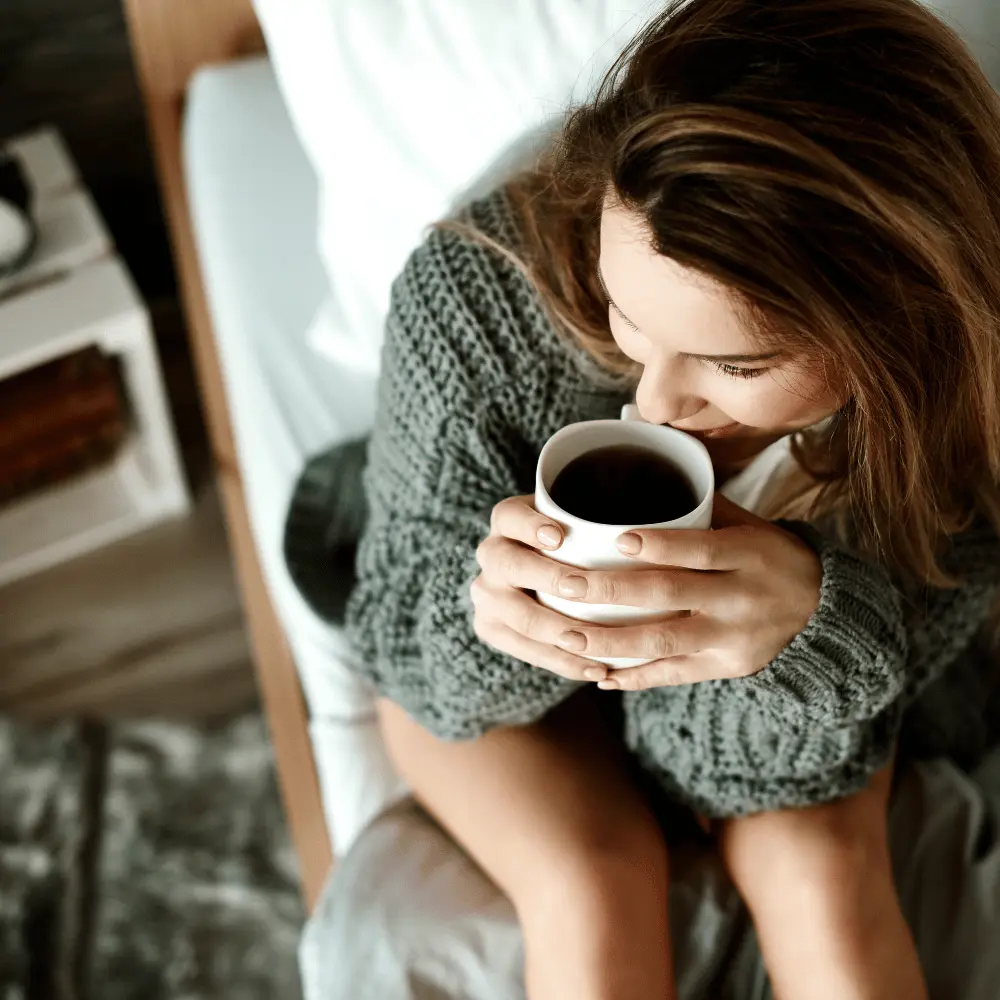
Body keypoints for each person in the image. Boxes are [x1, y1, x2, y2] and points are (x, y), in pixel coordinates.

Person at [344, 1, 1000, 997]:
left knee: (821, 867)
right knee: (592, 883)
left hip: (776, 730)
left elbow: (701, 772)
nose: (656, 401)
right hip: (493, 703)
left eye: (735, 361)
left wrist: (812, 636)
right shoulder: (477, 295)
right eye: (627, 314)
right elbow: (397, 635)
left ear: (898, 328)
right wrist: (492, 617)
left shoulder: (965, 411)